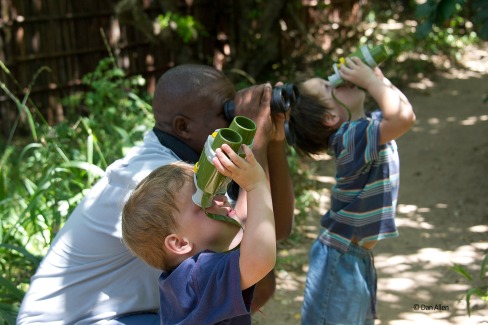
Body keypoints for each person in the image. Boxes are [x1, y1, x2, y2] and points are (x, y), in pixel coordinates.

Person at [17, 64, 295, 324]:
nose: (236, 119)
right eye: (227, 112)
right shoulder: (161, 183)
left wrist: (272, 140)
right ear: (183, 127)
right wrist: (253, 150)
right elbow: (256, 266)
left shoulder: (189, 178)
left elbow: (275, 228)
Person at [289, 57, 416, 324]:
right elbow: (405, 118)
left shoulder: (369, 126)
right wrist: (371, 82)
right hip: (340, 257)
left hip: (355, 256)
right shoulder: (349, 138)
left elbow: (403, 110)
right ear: (330, 117)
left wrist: (380, 80)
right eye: (328, 85)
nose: (336, 78)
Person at [122, 141, 275, 324]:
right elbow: (259, 260)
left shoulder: (180, 282)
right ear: (179, 243)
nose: (221, 199)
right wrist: (256, 185)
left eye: (213, 192)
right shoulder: (198, 276)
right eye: (204, 201)